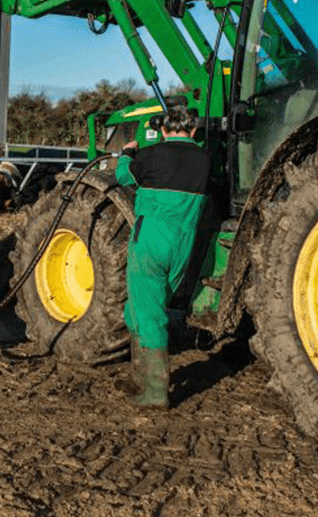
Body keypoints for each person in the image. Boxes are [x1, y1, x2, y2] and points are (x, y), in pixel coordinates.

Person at [114, 104, 211, 408]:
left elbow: (122, 177)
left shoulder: (152, 155)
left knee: (151, 314)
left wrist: (128, 151)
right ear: (193, 130)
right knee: (142, 307)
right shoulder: (204, 160)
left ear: (164, 130)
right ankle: (140, 374)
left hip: (151, 243)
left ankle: (155, 392)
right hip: (183, 245)